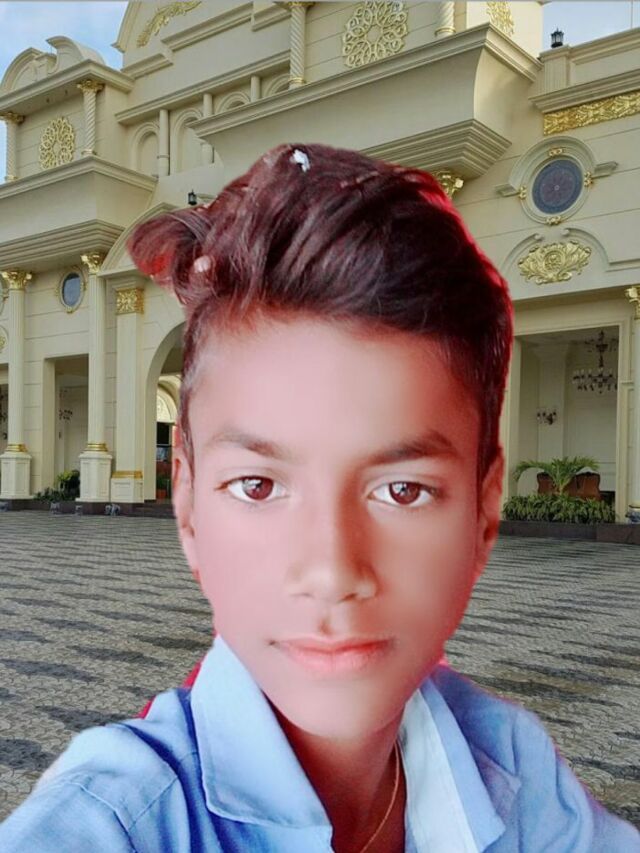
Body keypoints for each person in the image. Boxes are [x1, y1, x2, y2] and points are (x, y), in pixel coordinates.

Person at [0, 142, 637, 852]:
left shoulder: (511, 768)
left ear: (484, 511)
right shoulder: (117, 824)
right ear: (186, 501)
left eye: (402, 489)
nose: (332, 572)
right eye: (258, 485)